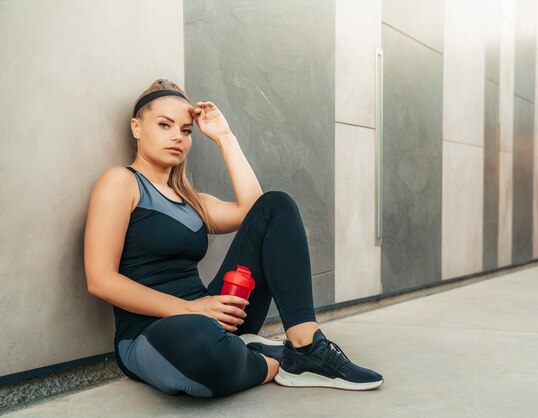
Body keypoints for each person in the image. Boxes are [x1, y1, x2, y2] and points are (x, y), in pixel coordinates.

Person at [83, 78, 384, 398]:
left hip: (213, 314)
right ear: (137, 127)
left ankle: (306, 346)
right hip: (155, 332)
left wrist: (224, 136)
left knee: (277, 204)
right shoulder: (121, 182)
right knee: (198, 345)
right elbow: (100, 280)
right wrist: (194, 310)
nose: (177, 137)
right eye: (164, 125)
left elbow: (257, 212)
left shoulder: (192, 200)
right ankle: (270, 362)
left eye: (186, 130)